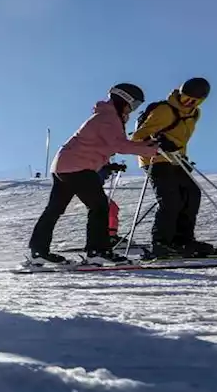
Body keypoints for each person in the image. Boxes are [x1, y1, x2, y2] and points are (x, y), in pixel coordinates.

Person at [27, 84, 159, 267]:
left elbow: (97, 145)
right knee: (99, 206)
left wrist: (108, 163)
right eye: (133, 104)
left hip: (64, 166)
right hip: (77, 167)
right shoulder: (108, 118)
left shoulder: (106, 116)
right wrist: (152, 149)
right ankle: (97, 251)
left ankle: (38, 251)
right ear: (123, 99)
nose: (133, 109)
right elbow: (119, 145)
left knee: (54, 209)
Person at [131, 77, 217, 257]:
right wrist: (159, 141)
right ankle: (161, 243)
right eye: (184, 97)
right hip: (155, 159)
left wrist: (181, 155)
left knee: (191, 195)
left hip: (177, 159)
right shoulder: (164, 110)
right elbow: (137, 137)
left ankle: (182, 241)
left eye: (193, 101)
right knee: (170, 200)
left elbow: (180, 139)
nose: (187, 102)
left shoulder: (195, 113)